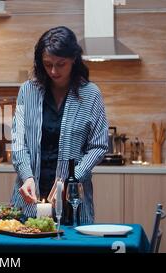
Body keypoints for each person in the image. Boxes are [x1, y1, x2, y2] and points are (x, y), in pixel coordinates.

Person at [10, 26, 109, 224]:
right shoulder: (27, 91)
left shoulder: (91, 94)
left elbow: (98, 147)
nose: (53, 71)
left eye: (60, 64)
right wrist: (27, 177)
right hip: (28, 200)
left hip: (72, 202)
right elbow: (18, 141)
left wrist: (72, 179)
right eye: (47, 64)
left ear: (73, 59)